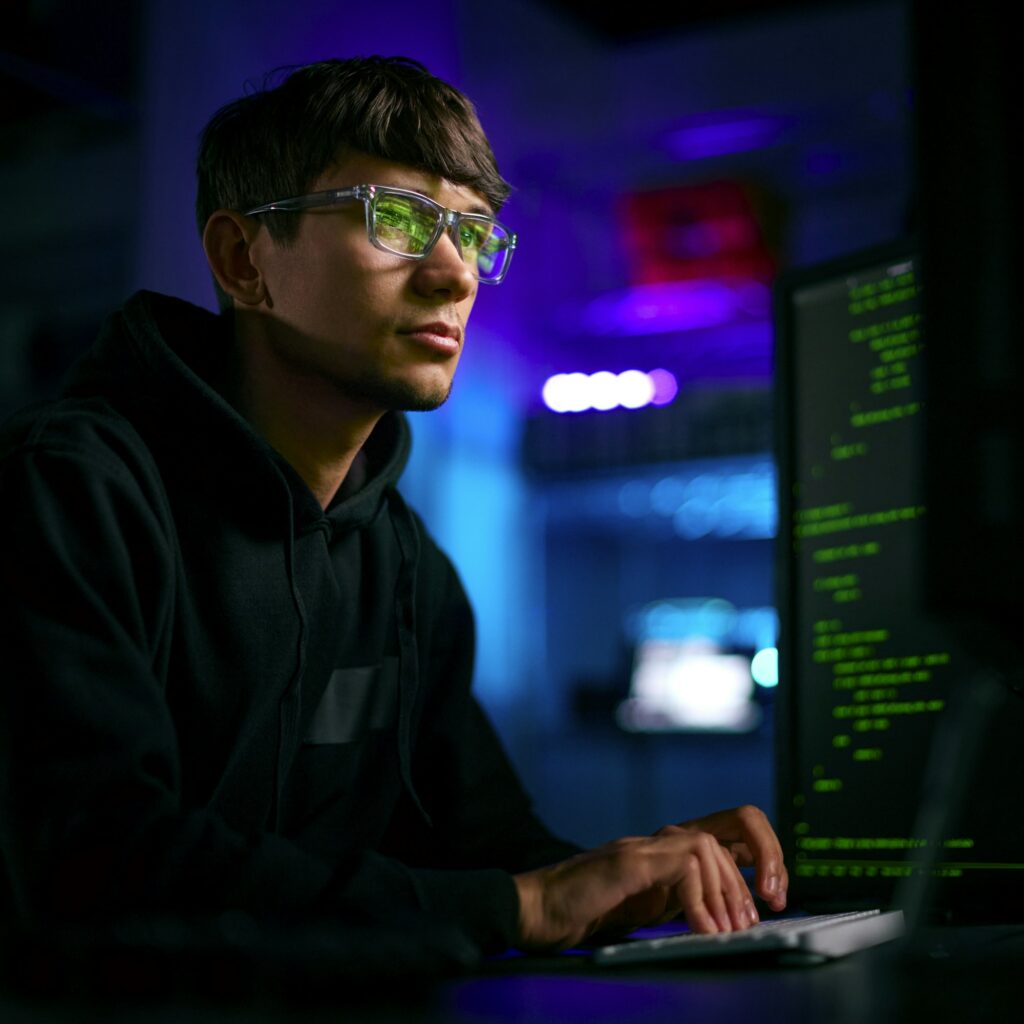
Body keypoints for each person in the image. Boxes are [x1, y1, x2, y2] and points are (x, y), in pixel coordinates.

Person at [0, 56, 786, 963]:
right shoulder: (68, 493)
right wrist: (527, 904)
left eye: (475, 232)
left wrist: (638, 875)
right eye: (401, 219)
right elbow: (89, 869)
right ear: (242, 259)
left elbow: (489, 857)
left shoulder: (405, 566)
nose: (455, 276)